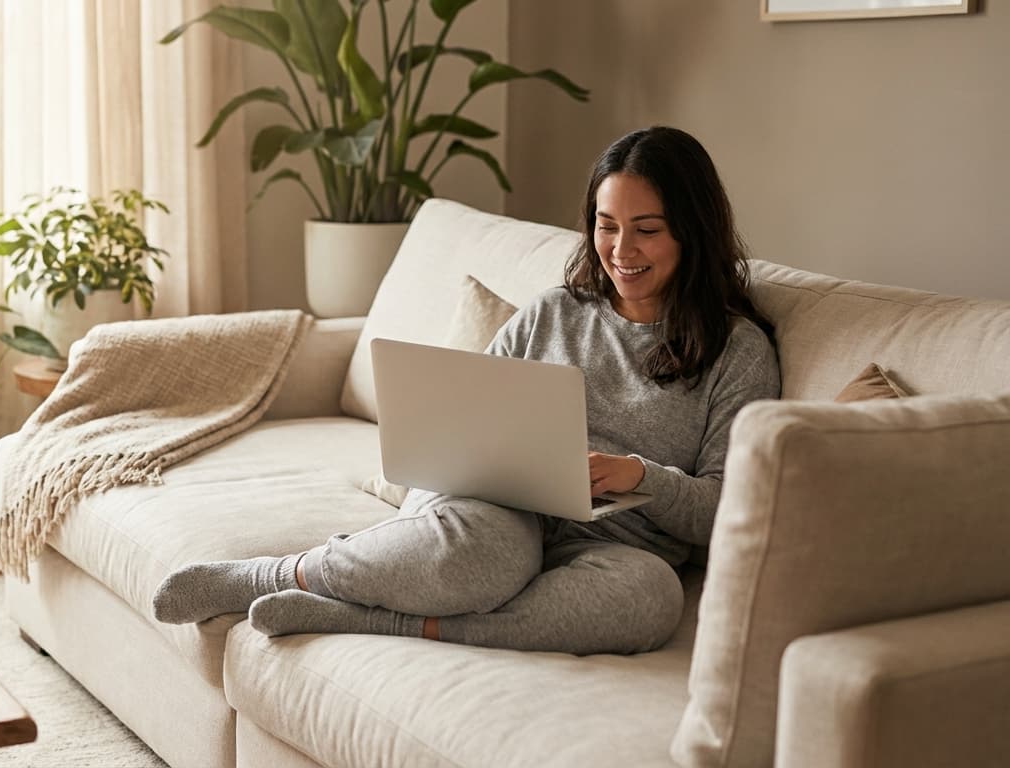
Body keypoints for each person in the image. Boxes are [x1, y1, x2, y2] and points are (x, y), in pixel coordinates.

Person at [151, 126, 781, 655]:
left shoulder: (739, 351)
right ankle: (276, 573)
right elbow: (468, 415)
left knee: (652, 601)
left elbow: (728, 507)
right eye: (606, 225)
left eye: (647, 229)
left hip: (617, 545)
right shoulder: (556, 313)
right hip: (501, 513)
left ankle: (379, 618)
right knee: (488, 559)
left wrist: (637, 474)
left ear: (692, 233)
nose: (621, 250)